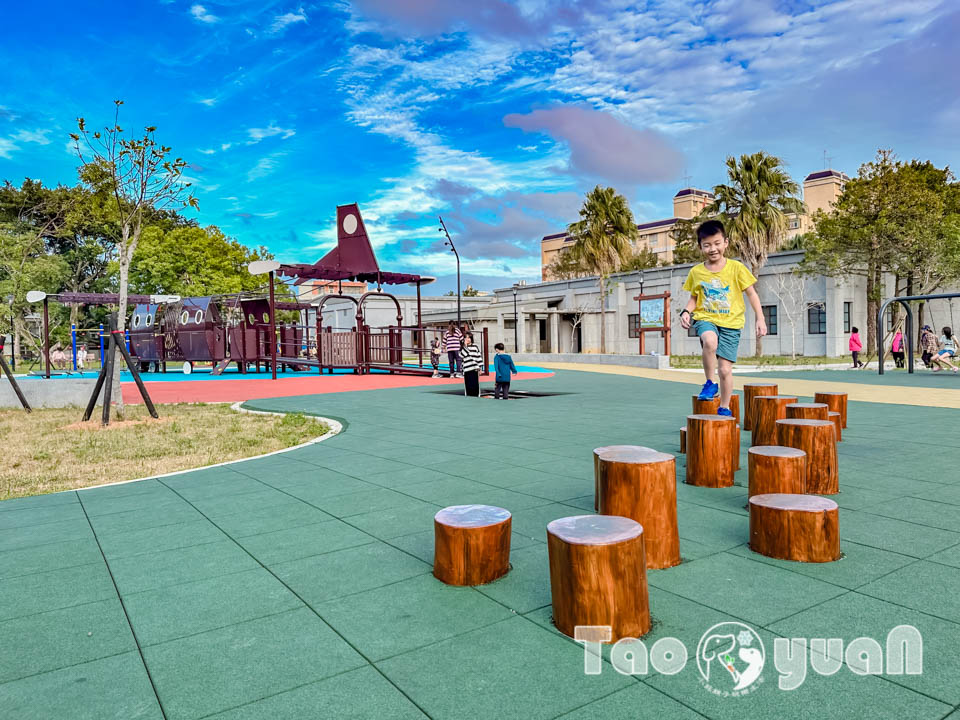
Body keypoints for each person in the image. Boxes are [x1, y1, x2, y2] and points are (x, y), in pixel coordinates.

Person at [679, 219, 766, 416]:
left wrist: (760, 318)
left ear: (726, 242)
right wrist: (686, 311)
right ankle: (710, 383)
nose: (713, 249)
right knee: (710, 341)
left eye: (717, 243)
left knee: (726, 370)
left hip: (732, 324)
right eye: (707, 245)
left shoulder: (736, 268)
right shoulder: (696, 272)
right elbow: (694, 297)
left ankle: (724, 407)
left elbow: (751, 293)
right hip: (705, 318)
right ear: (701, 246)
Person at [460, 331, 483, 396]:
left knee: (475, 385)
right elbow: (462, 355)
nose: (468, 339)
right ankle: (469, 397)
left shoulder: (475, 347)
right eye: (466, 338)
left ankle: (476, 396)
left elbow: (479, 357)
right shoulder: (462, 348)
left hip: (475, 369)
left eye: (469, 338)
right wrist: (465, 345)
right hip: (467, 369)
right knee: (468, 386)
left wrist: (480, 368)